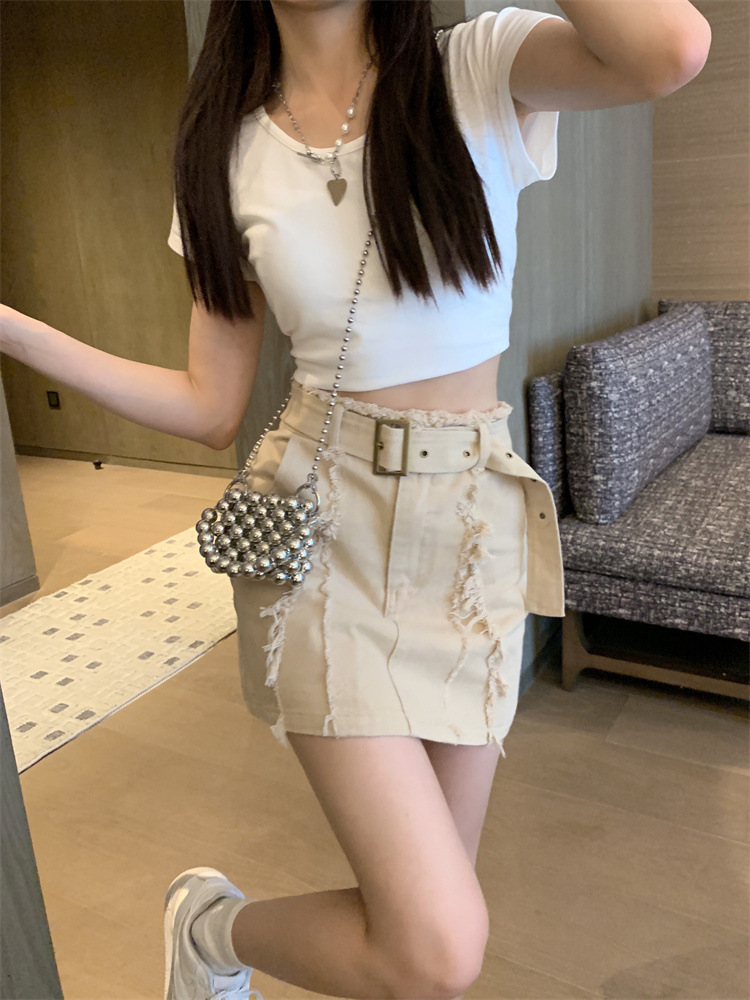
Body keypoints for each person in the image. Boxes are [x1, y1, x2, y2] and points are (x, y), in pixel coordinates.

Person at [0, 1, 710, 997]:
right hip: (321, 526)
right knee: (439, 946)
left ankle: (211, 931)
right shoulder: (223, 152)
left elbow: (670, 48)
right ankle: (211, 931)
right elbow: (209, 405)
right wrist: (15, 332)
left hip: (472, 530)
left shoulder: (479, 67)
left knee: (421, 944)